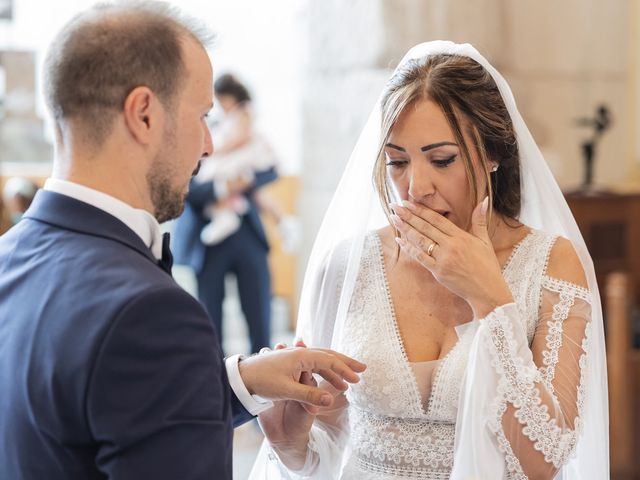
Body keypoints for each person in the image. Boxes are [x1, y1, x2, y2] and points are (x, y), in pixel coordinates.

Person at [0, 3, 366, 479]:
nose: (209, 146)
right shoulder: (150, 315)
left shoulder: (9, 256)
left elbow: (86, 414)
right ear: (145, 114)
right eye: (202, 116)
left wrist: (236, 382)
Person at [252, 41, 609, 479]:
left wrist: (491, 299)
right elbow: (329, 436)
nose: (415, 187)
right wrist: (291, 444)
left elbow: (545, 462)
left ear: (494, 153)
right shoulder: (348, 265)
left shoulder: (552, 264)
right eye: (397, 162)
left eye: (442, 159)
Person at [172, 74, 277, 355]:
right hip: (208, 241)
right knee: (209, 320)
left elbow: (270, 170)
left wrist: (245, 179)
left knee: (259, 316)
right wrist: (222, 187)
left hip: (247, 234)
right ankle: (214, 383)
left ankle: (267, 380)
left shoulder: (245, 129)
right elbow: (187, 189)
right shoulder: (203, 134)